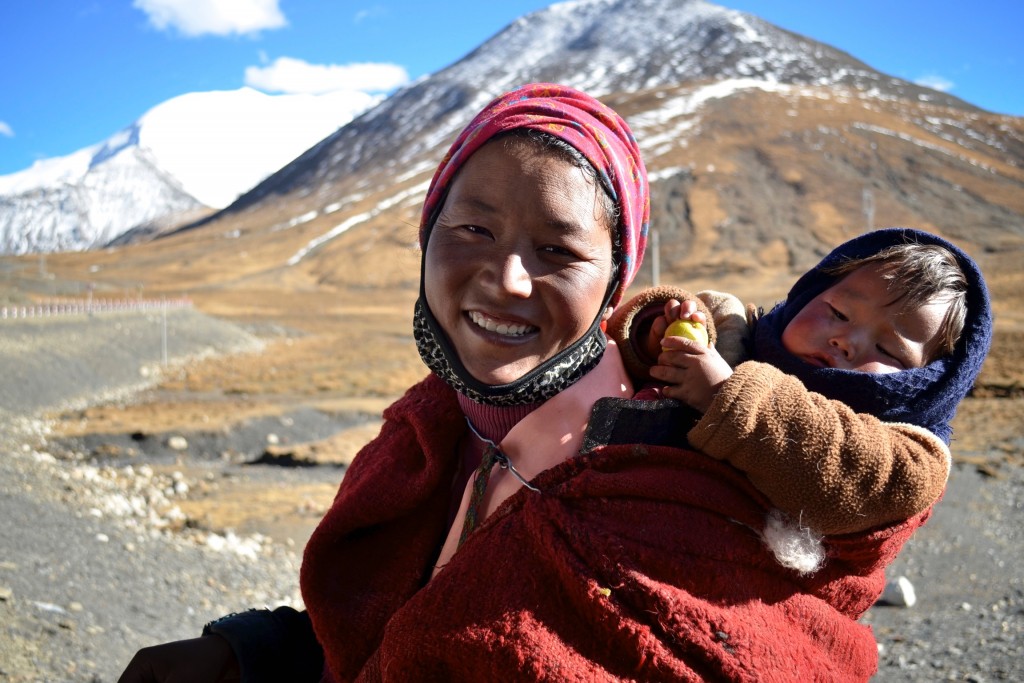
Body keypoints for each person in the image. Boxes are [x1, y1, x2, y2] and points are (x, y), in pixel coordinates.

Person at [118, 84, 991, 683]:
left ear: (615, 274)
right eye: (470, 227)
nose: (504, 279)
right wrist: (258, 654)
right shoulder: (433, 426)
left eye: (558, 250)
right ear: (425, 236)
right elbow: (406, 616)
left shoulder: (668, 466)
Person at [607, 228, 992, 540]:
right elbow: (697, 325)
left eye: (887, 348)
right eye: (838, 312)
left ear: (929, 381)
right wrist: (657, 334)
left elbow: (843, 477)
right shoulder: (742, 337)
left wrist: (725, 395)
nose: (846, 340)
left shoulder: (913, 456)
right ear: (808, 295)